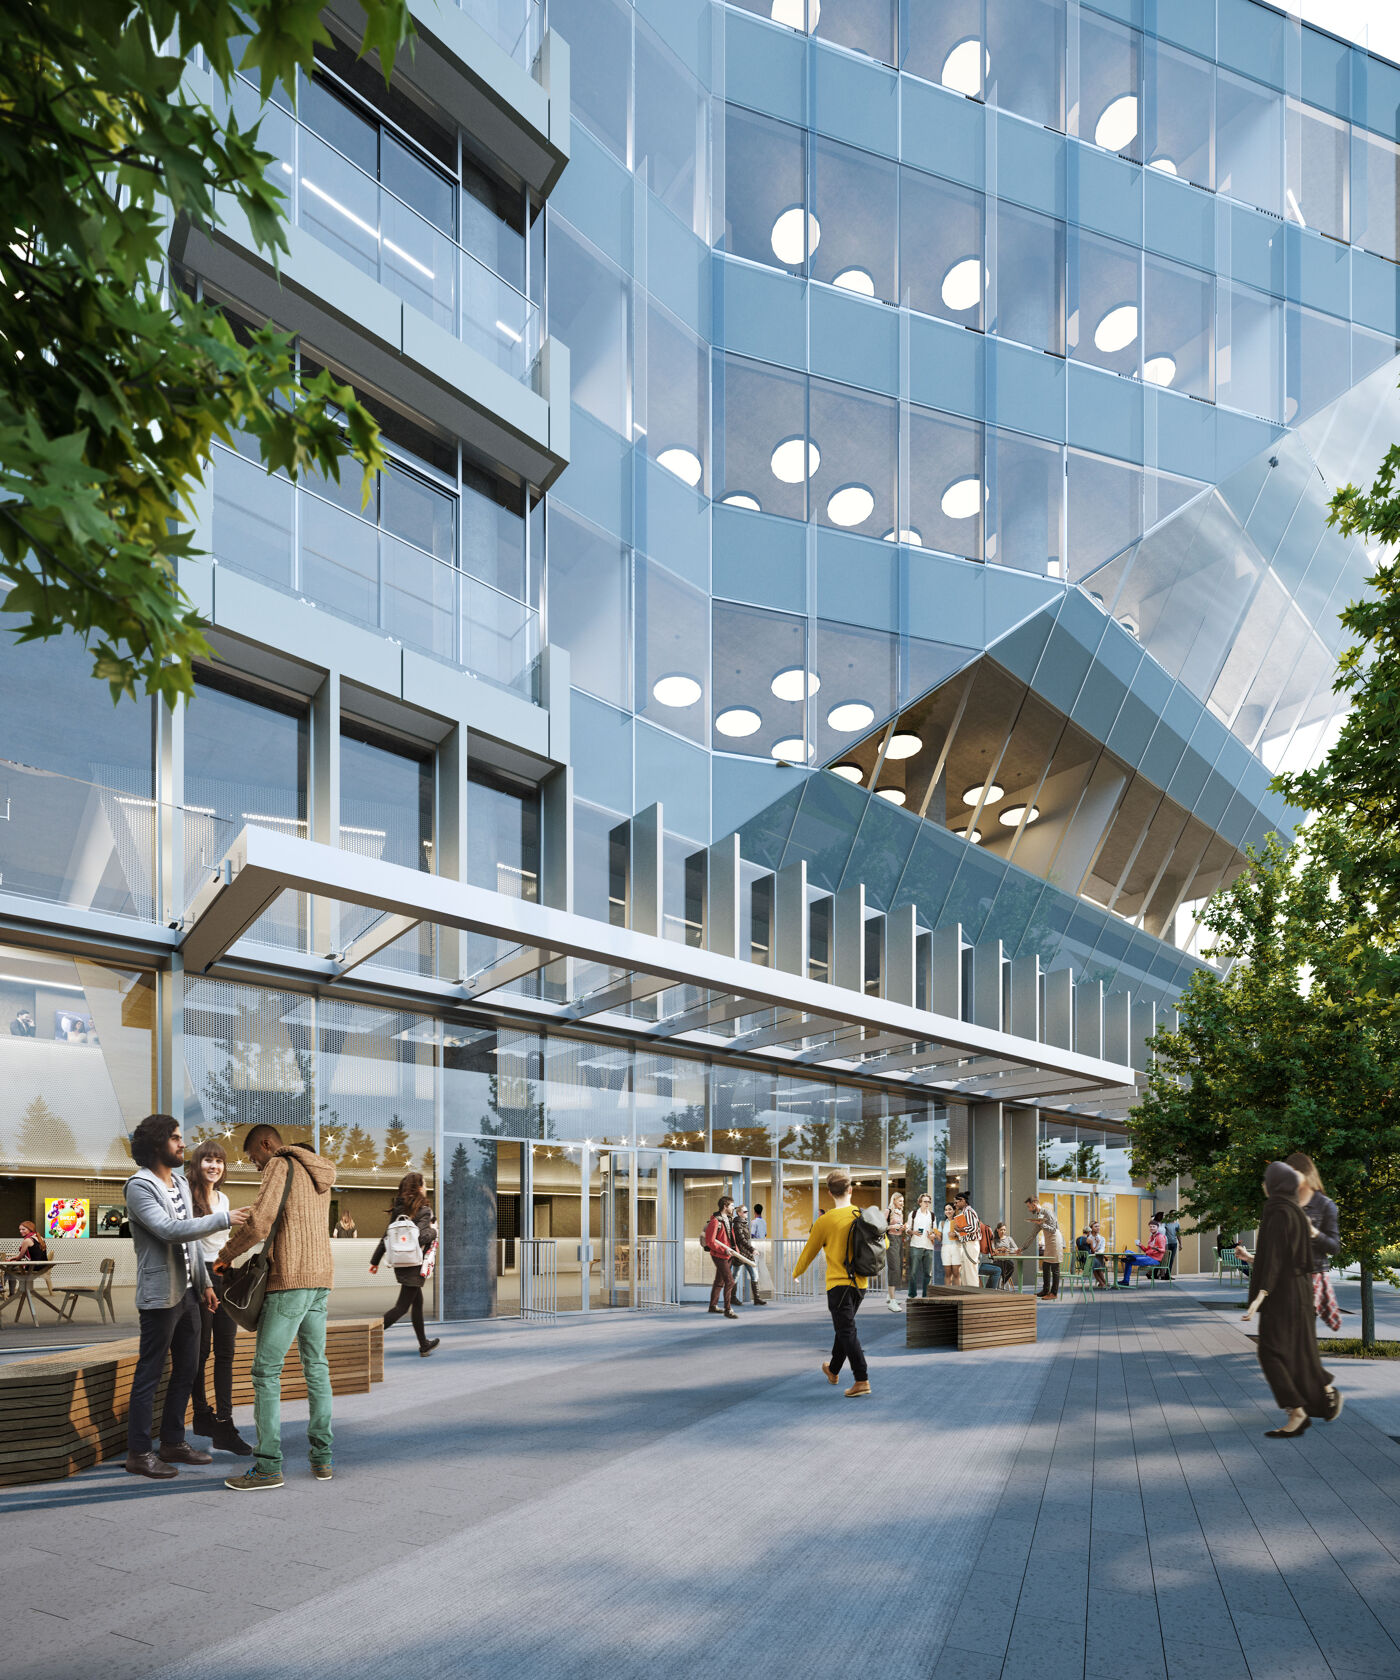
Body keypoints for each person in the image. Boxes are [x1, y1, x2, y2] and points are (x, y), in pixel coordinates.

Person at [123, 1114, 249, 1480]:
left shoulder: (179, 1181)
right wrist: (224, 1219)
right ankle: (138, 1452)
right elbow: (168, 1230)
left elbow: (190, 1242)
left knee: (187, 1369)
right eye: (176, 1138)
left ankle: (173, 1442)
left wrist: (206, 1285)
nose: (182, 1144)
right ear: (158, 1143)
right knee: (150, 1373)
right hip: (161, 1295)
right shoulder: (139, 1186)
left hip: (191, 1292)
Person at [213, 1124, 337, 1490]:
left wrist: (225, 1255)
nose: (255, 1165)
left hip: (291, 1280)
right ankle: (322, 1459)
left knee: (265, 1372)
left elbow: (259, 1224)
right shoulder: (320, 1173)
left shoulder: (280, 1165)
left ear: (267, 1145)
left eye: (253, 1157)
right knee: (316, 1367)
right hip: (320, 1280)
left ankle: (268, 1466)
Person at [1243, 1161, 1344, 1437]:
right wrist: (1254, 1259)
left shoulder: (1277, 1212)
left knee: (1270, 1352)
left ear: (1275, 1185)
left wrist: (1260, 1296)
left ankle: (1297, 1411)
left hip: (1282, 1294)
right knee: (1300, 1350)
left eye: (1267, 1180)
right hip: (1300, 1289)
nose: (1264, 1185)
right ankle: (1322, 1400)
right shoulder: (1296, 1212)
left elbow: (1276, 1258)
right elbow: (1290, 1256)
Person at [185, 1141, 252, 1456]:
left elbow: (222, 1241)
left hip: (224, 1273)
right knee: (201, 1351)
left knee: (226, 1349)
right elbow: (190, 1243)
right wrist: (203, 1281)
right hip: (199, 1276)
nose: (214, 1166)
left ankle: (224, 1422)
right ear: (198, 1163)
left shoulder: (223, 1198)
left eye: (219, 1161)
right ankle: (201, 1412)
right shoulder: (188, 1196)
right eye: (208, 1160)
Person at [794, 1170, 883, 1397]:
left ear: (829, 1193)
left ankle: (861, 1379)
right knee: (843, 1328)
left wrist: (797, 1272)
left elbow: (808, 1253)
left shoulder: (825, 1221)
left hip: (838, 1285)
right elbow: (886, 1244)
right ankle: (833, 1370)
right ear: (850, 1189)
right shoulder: (863, 1215)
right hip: (861, 1284)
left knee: (846, 1329)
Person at [370, 1170, 441, 1355]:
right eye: (424, 1184)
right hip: (414, 1263)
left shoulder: (398, 1210)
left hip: (401, 1263)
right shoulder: (424, 1210)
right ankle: (367, 1336)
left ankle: (424, 1344)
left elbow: (387, 1236)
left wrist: (375, 1260)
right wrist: (434, 1230)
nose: (426, 1187)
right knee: (401, 1307)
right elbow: (421, 1237)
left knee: (417, 1303)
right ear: (418, 1188)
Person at [703, 1196, 739, 1319]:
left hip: (728, 1254)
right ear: (725, 1206)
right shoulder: (715, 1221)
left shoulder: (728, 1219)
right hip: (719, 1255)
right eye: (732, 1205)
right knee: (730, 1281)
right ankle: (728, 1309)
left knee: (720, 1281)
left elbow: (731, 1238)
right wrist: (724, 1250)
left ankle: (713, 1306)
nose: (733, 1208)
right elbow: (710, 1242)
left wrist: (735, 1252)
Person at [1024, 1196, 1062, 1300]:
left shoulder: (1048, 1212)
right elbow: (1032, 1234)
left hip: (1055, 1240)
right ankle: (1045, 1290)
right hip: (1049, 1241)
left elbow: (1053, 1229)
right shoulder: (1038, 1216)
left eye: (1029, 1207)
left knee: (1055, 1268)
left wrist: (1042, 1224)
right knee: (1045, 1265)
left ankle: (1054, 1293)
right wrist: (1023, 1248)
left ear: (1034, 1204)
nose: (1028, 1209)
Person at [730, 1203, 767, 1305]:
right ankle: (732, 1298)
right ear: (739, 1213)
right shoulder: (737, 1224)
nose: (747, 1213)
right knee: (736, 1275)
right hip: (741, 1254)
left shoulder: (744, 1223)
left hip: (745, 1253)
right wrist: (752, 1249)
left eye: (747, 1211)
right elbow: (741, 1239)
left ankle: (756, 1298)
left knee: (753, 1274)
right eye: (744, 1212)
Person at [1116, 1222, 1167, 1287]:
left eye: (1153, 1226)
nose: (1152, 1228)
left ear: (1157, 1228)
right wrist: (1140, 1245)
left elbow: (1163, 1250)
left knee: (1129, 1261)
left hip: (1154, 1259)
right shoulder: (1151, 1237)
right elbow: (1146, 1251)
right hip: (1147, 1256)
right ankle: (1129, 1258)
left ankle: (1126, 1281)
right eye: (1150, 1227)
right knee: (1127, 1251)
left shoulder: (1160, 1237)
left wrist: (1156, 1249)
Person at [5, 1220, 47, 1297]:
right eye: (20, 1229)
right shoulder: (40, 1237)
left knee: (9, 1267)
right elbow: (34, 1253)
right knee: (11, 1266)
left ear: (30, 1229)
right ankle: (4, 1287)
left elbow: (19, 1258)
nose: (21, 1231)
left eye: (23, 1229)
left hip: (33, 1267)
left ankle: (7, 1290)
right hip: (43, 1266)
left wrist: (13, 1259)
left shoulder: (27, 1240)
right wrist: (14, 1258)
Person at [907, 1193, 937, 1299]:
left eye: (929, 1201)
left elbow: (935, 1232)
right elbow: (907, 1229)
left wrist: (932, 1235)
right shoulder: (913, 1214)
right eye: (925, 1201)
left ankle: (926, 1295)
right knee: (913, 1272)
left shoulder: (932, 1215)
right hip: (915, 1246)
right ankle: (912, 1294)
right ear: (920, 1202)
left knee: (928, 1274)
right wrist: (913, 1232)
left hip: (929, 1247)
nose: (927, 1203)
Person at [951, 1192, 982, 1286]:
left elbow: (974, 1227)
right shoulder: (964, 1212)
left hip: (971, 1244)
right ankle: (968, 1293)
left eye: (956, 1202)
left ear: (963, 1201)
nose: (955, 1205)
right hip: (967, 1244)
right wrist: (957, 1231)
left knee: (970, 1271)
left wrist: (959, 1229)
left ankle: (973, 1294)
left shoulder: (969, 1212)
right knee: (965, 1271)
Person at [884, 1191, 906, 1311]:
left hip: (899, 1240)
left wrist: (903, 1227)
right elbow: (880, 1227)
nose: (902, 1203)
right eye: (900, 1201)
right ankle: (892, 1302)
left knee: (898, 1266)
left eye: (903, 1201)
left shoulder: (900, 1212)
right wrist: (892, 1227)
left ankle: (890, 1295)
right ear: (894, 1201)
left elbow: (899, 1226)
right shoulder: (888, 1211)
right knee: (894, 1268)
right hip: (891, 1240)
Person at [992, 1222, 1020, 1290]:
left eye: (1004, 1230)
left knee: (1011, 1266)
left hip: (1007, 1260)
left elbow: (1016, 1249)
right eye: (1001, 1230)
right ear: (997, 1230)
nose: (1003, 1231)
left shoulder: (1009, 1238)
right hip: (998, 1261)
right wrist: (999, 1249)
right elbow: (992, 1250)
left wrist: (1008, 1249)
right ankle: (1002, 1285)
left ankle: (1003, 1283)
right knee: (1002, 1267)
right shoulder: (994, 1240)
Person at [939, 1201, 959, 1285]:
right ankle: (948, 1295)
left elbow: (963, 1236)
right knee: (947, 1274)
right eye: (946, 1210)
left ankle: (958, 1294)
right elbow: (940, 1239)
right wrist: (934, 1235)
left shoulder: (958, 1222)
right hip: (945, 1248)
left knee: (956, 1273)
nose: (948, 1211)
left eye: (950, 1209)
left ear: (954, 1210)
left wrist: (956, 1235)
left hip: (956, 1247)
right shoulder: (942, 1223)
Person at [1088, 1222, 1108, 1288]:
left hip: (1099, 1256)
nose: (1098, 1228)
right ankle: (1104, 1283)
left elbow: (1102, 1249)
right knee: (1095, 1264)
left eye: (1098, 1226)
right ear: (1091, 1228)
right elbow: (1090, 1250)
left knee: (1097, 1263)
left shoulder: (1102, 1238)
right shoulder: (1089, 1238)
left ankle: (1102, 1283)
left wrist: (1097, 1252)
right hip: (1091, 1258)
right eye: (1096, 1226)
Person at [1163, 1209, 1182, 1277]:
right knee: (1165, 1259)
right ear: (1169, 1215)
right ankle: (1162, 1274)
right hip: (1167, 1243)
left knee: (1171, 1259)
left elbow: (1178, 1234)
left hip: (1174, 1243)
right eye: (1172, 1214)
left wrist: (1180, 1244)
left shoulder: (1177, 1224)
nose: (1173, 1215)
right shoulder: (1165, 1223)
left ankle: (1168, 1275)